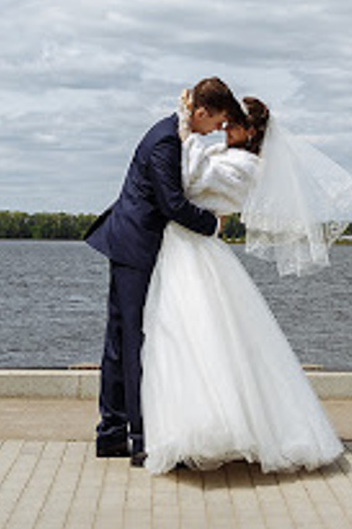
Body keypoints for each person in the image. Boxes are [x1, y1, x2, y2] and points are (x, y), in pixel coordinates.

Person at [139, 93, 352, 474]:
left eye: (234, 122)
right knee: (179, 336)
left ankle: (210, 429)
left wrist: (185, 128)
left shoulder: (247, 165)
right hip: (183, 247)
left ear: (252, 131)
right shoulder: (229, 154)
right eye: (226, 120)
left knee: (199, 335)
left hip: (197, 251)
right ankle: (183, 429)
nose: (226, 127)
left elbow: (192, 176)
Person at [84, 76, 240, 466]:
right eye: (217, 121)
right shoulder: (166, 141)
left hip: (128, 242)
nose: (217, 129)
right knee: (136, 342)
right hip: (136, 246)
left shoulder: (172, 133)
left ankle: (111, 433)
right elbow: (171, 203)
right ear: (200, 111)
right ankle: (142, 440)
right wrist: (213, 225)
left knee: (120, 340)